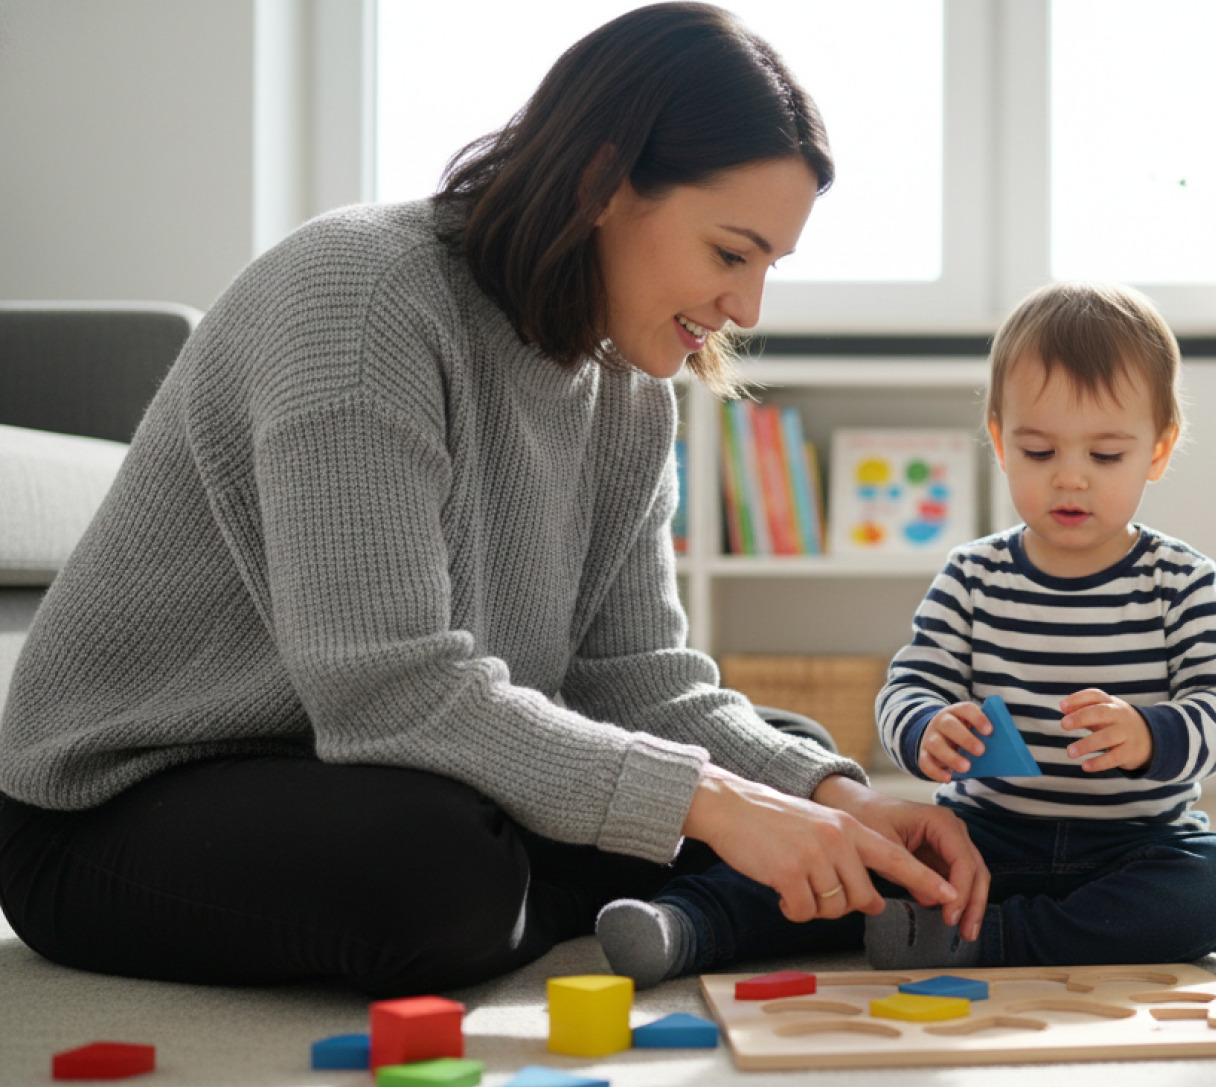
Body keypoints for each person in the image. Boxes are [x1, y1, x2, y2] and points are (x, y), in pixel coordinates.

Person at [0, 2, 985, 999]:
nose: (748, 307)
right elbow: (385, 691)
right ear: (601, 184)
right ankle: (607, 888)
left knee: (796, 762)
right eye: (731, 253)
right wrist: (714, 806)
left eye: (769, 265)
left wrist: (837, 795)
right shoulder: (361, 298)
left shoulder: (631, 393)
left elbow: (637, 677)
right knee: (447, 868)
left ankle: (608, 875)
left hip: (381, 767)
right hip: (122, 806)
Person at [865, 281, 1216, 969]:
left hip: (1135, 847)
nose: (1070, 479)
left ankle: (994, 937)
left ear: (1158, 451)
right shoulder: (972, 575)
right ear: (1000, 442)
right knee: (852, 848)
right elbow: (908, 685)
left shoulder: (1180, 580)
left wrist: (1151, 733)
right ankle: (700, 920)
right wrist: (926, 727)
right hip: (985, 842)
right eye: (1039, 452)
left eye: (1105, 456)